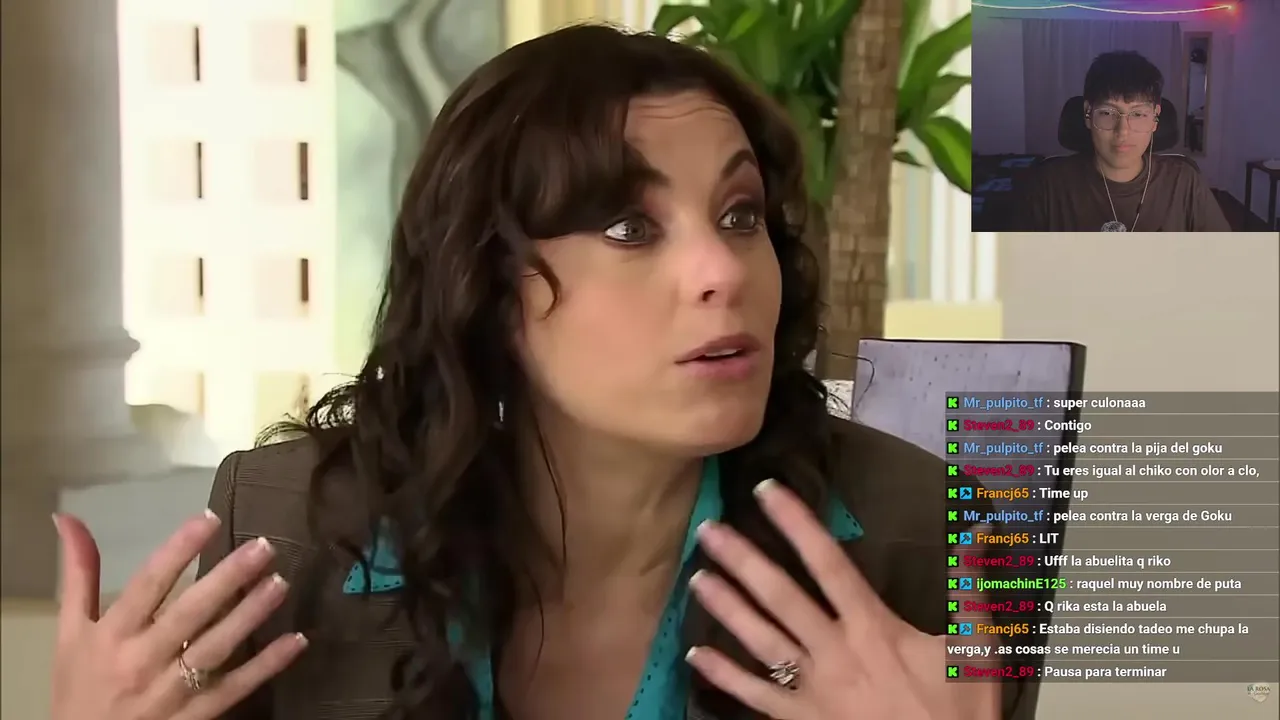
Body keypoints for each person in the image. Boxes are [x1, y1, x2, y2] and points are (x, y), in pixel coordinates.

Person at [50, 24, 1010, 720]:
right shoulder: (290, 528)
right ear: (490, 289)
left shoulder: (919, 535)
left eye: (740, 215)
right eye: (631, 227)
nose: (721, 271)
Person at [1012, 50, 1230, 232]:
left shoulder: (1184, 182)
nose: (1123, 132)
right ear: (1088, 114)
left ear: (1155, 118)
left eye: (1138, 114)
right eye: (1108, 113)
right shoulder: (1047, 186)